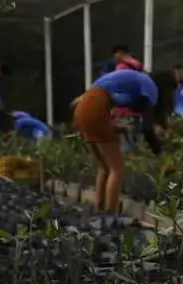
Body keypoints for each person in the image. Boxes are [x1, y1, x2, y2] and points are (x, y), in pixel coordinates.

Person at [72, 69, 175, 213]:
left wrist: (118, 127)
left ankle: (98, 210)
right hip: (95, 107)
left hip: (83, 108)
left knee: (105, 167)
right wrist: (160, 154)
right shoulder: (149, 86)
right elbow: (147, 128)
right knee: (117, 169)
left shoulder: (134, 80)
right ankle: (110, 215)